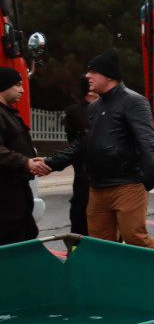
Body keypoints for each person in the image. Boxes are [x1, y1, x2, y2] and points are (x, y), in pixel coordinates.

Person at [45, 48, 154, 248]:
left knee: (135, 237)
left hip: (127, 185)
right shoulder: (94, 108)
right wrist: (51, 163)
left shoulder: (133, 101)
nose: (87, 76)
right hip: (97, 187)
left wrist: (150, 175)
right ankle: (110, 279)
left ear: (109, 75)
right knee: (101, 244)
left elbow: (147, 140)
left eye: (93, 72)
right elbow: (82, 144)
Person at [0, 67, 48, 246]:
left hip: (17, 188)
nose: (22, 90)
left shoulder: (8, 113)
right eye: (17, 85)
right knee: (11, 239)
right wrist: (26, 162)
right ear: (4, 85)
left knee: (25, 232)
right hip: (5, 194)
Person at [64, 76, 96, 236]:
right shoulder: (77, 113)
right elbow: (81, 144)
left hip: (104, 176)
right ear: (90, 90)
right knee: (81, 215)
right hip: (85, 176)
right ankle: (77, 253)